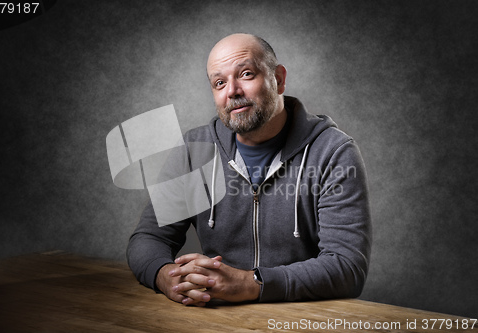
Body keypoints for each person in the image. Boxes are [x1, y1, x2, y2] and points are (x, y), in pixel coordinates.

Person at [127, 33, 372, 307]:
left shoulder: (332, 151)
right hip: (214, 316)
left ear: (278, 79)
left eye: (245, 74)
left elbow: (347, 268)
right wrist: (166, 276)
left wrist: (250, 283)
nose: (232, 91)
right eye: (219, 83)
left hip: (302, 317)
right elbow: (148, 238)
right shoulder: (194, 150)